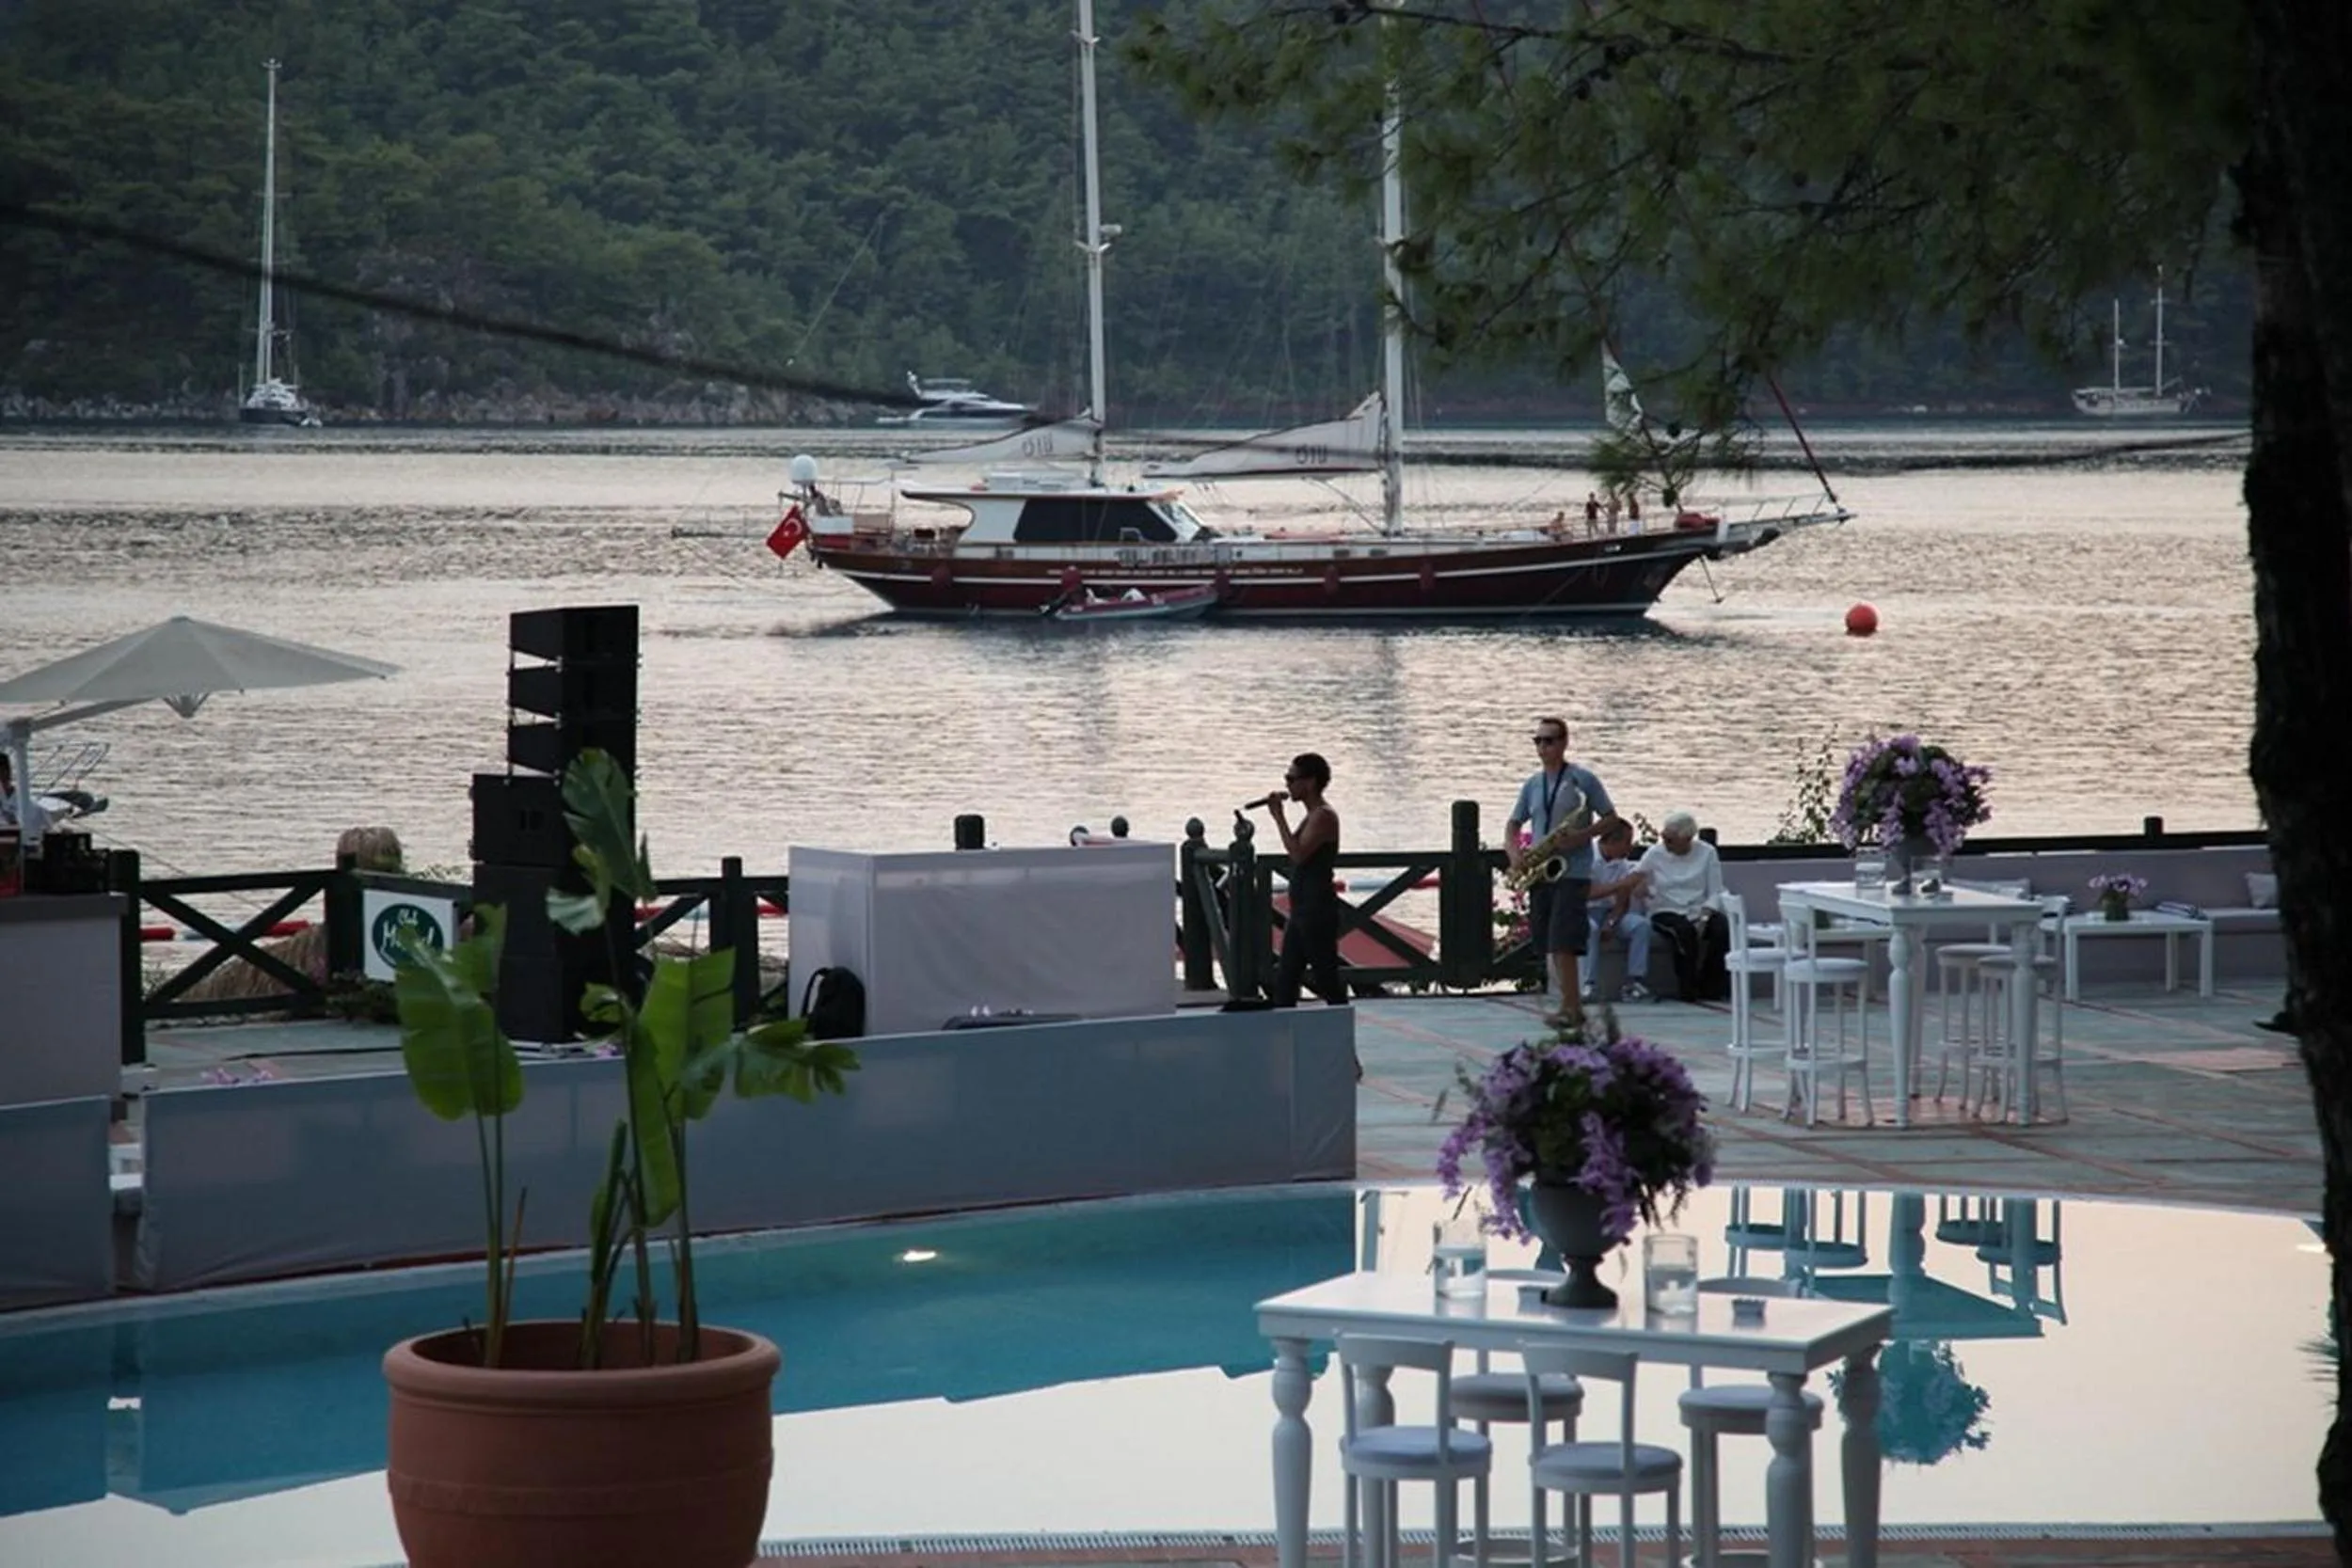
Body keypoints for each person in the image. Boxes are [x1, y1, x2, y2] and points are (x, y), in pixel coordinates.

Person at [1505, 718, 1619, 1033]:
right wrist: (1515, 855)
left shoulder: (1583, 780)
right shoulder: (1532, 784)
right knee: (1549, 942)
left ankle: (1573, 1008)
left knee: (1564, 940)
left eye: (1550, 740)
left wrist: (1582, 836)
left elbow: (1611, 819)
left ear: (1565, 742)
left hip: (1573, 870)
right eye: (1538, 741)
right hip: (1543, 870)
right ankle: (1568, 1004)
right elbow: (1513, 824)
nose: (1543, 747)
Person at [1266, 752, 1347, 1011]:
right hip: (1302, 909)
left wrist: (1278, 816)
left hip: (1317, 909)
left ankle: (1342, 1035)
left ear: (1310, 782)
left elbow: (1299, 854)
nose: (1287, 784)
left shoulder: (1323, 816)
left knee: (1326, 978)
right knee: (1286, 979)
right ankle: (1282, 1041)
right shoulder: (1312, 815)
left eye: (1292, 778)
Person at [1638, 810, 1730, 1002]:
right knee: (1683, 933)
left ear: (1687, 839)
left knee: (1721, 930)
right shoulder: (1655, 854)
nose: (1666, 843)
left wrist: (1705, 916)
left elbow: (1715, 889)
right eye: (1664, 838)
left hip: (1699, 907)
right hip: (1666, 907)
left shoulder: (1707, 853)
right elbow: (1637, 877)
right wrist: (1642, 889)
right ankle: (1688, 987)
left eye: (1671, 840)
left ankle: (1712, 986)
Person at [1583, 817, 1653, 1004]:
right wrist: (1620, 884)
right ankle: (1589, 984)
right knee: (1590, 929)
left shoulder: (1622, 863)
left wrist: (1612, 921)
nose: (1629, 848)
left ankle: (1634, 982)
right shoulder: (1587, 858)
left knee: (1641, 926)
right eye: (1626, 843)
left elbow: (1623, 900)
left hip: (1611, 911)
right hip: (1586, 911)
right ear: (1611, 842)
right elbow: (1587, 893)